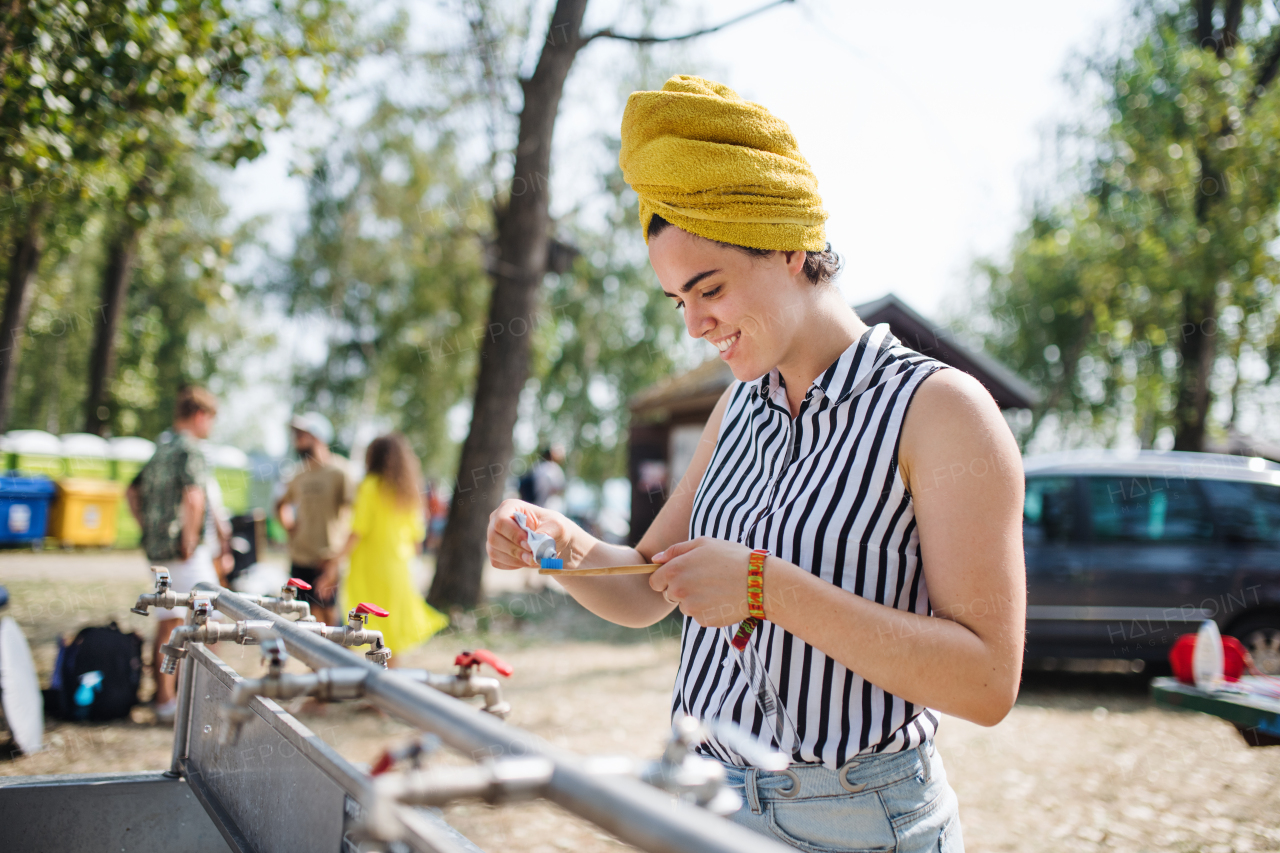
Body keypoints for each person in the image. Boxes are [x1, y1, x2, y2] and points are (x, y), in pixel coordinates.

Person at [486, 76, 1025, 852]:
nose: (696, 325)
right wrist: (554, 544)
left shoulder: (941, 411)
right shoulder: (736, 407)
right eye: (678, 300)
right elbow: (647, 587)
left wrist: (764, 587)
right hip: (704, 804)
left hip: (858, 825)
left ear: (788, 244)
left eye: (708, 288)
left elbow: (986, 681)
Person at [127, 385, 227, 723]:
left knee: (167, 620)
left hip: (156, 549)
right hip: (184, 551)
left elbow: (131, 490)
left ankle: (166, 699)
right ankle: (194, 696)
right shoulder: (190, 449)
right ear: (200, 415)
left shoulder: (161, 449)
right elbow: (195, 496)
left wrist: (147, 526)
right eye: (211, 420)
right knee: (216, 620)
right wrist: (187, 537)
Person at [341, 433, 449, 661]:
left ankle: (362, 684)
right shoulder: (408, 491)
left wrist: (334, 561)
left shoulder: (369, 486)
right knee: (392, 630)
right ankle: (389, 686)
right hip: (398, 568)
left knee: (363, 624)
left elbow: (358, 530)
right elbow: (417, 537)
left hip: (370, 568)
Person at [274, 412, 354, 625]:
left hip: (327, 558)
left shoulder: (340, 471)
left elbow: (355, 512)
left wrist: (339, 556)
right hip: (301, 557)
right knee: (309, 618)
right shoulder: (298, 474)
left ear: (318, 436)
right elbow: (280, 504)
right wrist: (290, 528)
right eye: (295, 434)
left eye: (302, 434)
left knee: (330, 618)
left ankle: (337, 659)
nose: (296, 439)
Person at [517, 445, 566, 511]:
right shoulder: (554, 469)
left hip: (531, 503)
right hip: (546, 506)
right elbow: (559, 488)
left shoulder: (537, 465)